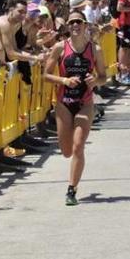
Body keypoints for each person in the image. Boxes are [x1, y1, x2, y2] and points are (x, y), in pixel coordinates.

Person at [43, 11, 107, 206]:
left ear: (85, 25)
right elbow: (45, 75)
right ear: (68, 26)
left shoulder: (94, 49)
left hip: (84, 102)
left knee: (79, 146)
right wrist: (64, 80)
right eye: (72, 22)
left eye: (79, 22)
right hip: (64, 102)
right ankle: (73, 179)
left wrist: (95, 80)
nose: (75, 25)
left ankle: (72, 189)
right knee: (66, 151)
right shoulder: (60, 48)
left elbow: (104, 76)